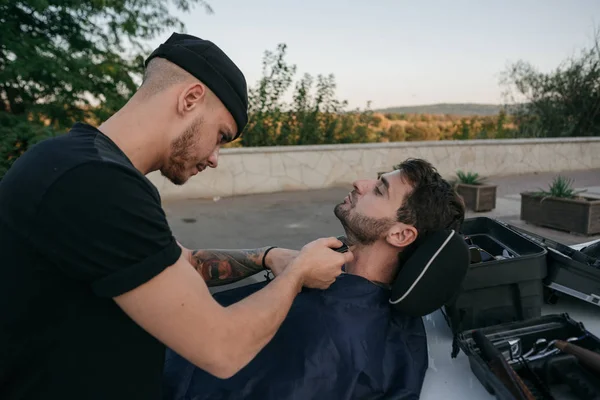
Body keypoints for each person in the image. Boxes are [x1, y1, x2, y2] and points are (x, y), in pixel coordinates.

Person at [0, 33, 353, 400]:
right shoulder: (95, 182)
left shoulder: (81, 163)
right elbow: (222, 347)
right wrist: (298, 274)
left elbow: (180, 263)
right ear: (190, 98)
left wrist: (269, 257)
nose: (215, 157)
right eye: (220, 135)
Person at [162, 158, 466, 400]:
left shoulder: (337, 332)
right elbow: (183, 262)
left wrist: (293, 277)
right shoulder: (341, 292)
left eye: (379, 190)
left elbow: (216, 357)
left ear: (400, 234)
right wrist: (273, 257)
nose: (360, 183)